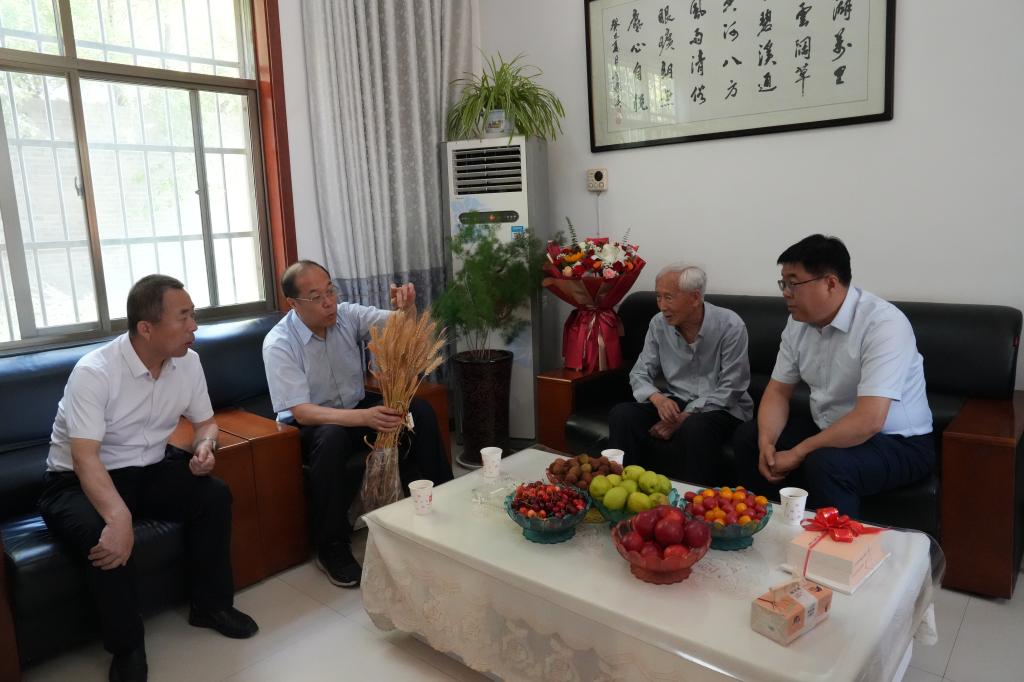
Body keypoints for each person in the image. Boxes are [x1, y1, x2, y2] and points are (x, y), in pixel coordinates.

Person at [39, 275, 258, 682]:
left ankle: (211, 606)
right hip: (78, 479)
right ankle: (127, 648)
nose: (194, 326)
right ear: (146, 327)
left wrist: (204, 447)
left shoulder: (188, 362)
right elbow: (85, 458)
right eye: (184, 316)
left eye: (193, 315)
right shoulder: (95, 372)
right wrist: (118, 518)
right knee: (104, 535)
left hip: (149, 468)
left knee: (213, 496)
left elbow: (206, 423)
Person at [262, 260, 453, 589]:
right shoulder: (279, 343)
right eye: (316, 297)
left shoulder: (346, 315)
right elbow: (303, 411)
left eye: (330, 291)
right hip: (309, 427)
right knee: (332, 437)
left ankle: (445, 497)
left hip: (355, 409)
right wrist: (365, 417)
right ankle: (332, 546)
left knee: (418, 410)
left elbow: (402, 327)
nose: (329, 302)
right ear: (293, 303)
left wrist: (407, 307)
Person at [733, 234, 935, 517]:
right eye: (783, 283)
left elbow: (870, 420)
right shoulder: (797, 323)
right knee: (749, 437)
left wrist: (799, 452)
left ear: (830, 283)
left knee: (826, 464)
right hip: (829, 427)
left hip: (898, 442)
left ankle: (836, 543)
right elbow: (778, 391)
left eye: (793, 283)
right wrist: (767, 442)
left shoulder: (883, 324)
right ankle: (764, 525)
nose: (786, 293)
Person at [607, 265, 753, 485]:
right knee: (622, 414)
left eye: (668, 297)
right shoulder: (658, 324)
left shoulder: (730, 325)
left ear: (695, 298)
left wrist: (685, 417)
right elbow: (639, 372)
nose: (662, 306)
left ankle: (694, 500)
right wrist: (658, 398)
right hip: (678, 400)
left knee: (695, 428)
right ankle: (624, 488)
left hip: (723, 407)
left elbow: (732, 387)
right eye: (658, 297)